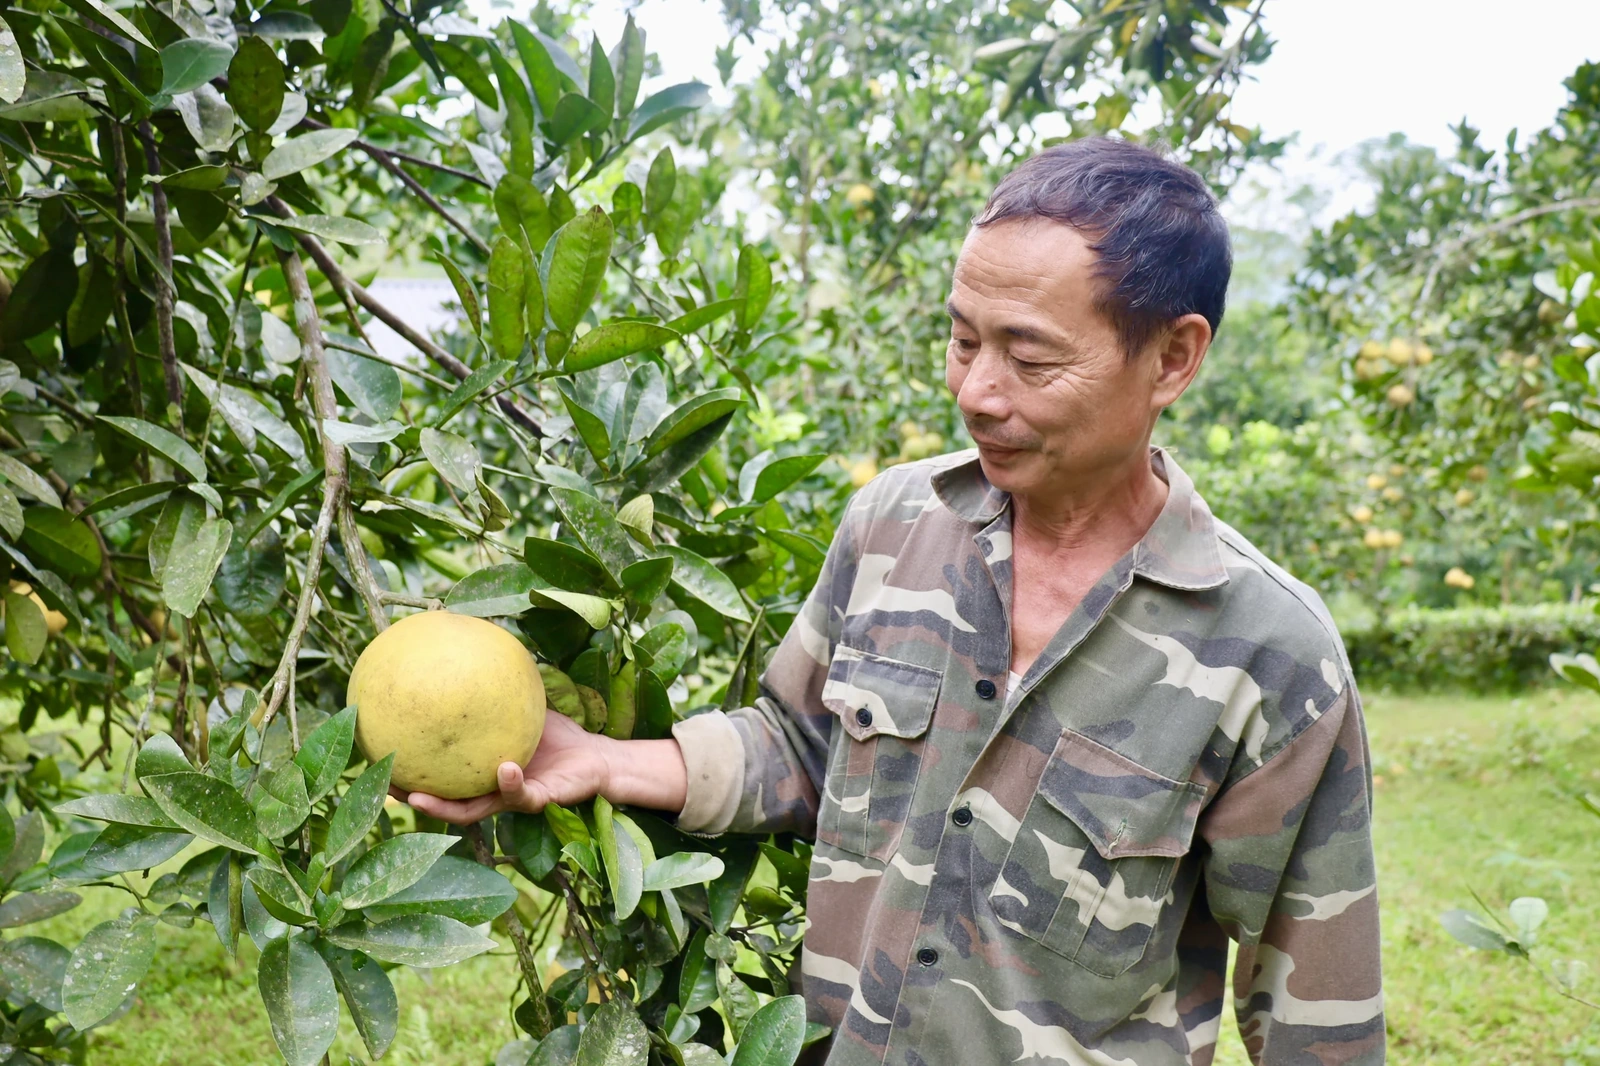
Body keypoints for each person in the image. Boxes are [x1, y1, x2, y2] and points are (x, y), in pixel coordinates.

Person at [405, 138, 1384, 1066]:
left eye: (1029, 359)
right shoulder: (892, 525)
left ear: (1172, 358)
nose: (977, 390)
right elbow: (801, 745)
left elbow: (1317, 1016)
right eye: (963, 340)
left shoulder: (1270, 657)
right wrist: (605, 759)